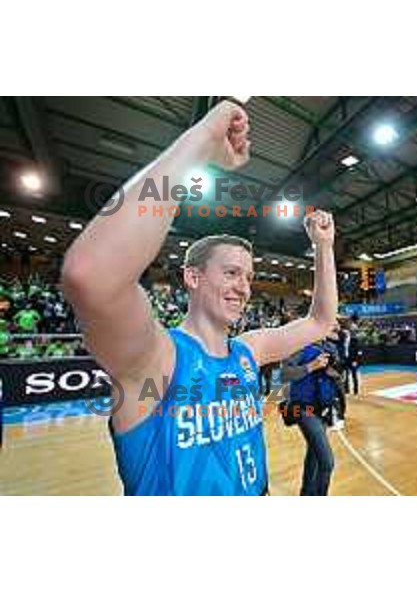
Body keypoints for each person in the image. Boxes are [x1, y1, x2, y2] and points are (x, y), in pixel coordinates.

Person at [62, 100, 338, 496]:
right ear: (192, 276)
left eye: (248, 277)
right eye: (230, 273)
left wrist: (323, 246)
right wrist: (203, 140)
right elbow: (92, 275)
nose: (244, 287)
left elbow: (320, 322)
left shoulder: (248, 351)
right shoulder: (157, 361)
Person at [282, 327, 344, 495]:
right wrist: (311, 366)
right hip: (303, 409)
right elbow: (284, 374)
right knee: (327, 462)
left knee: (314, 457)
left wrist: (334, 373)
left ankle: (306, 494)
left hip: (322, 410)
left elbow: (336, 377)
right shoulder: (299, 347)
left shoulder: (328, 348)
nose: (334, 328)